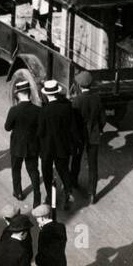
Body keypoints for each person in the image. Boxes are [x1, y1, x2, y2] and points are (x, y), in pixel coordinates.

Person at [37, 80, 78, 210]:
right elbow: (72, 128)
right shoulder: (67, 107)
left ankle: (50, 195)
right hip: (63, 146)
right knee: (63, 170)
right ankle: (68, 192)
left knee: (47, 170)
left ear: (47, 95)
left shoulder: (44, 111)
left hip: (47, 147)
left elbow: (40, 131)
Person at [4, 78, 42, 205]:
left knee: (16, 169)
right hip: (32, 145)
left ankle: (18, 192)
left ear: (18, 94)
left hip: (17, 146)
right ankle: (37, 195)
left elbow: (7, 127)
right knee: (33, 170)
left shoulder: (14, 110)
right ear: (29, 93)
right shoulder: (38, 110)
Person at [70, 71, 104, 202]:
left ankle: (73, 182)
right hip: (94, 135)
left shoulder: (77, 100)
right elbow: (103, 119)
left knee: (76, 160)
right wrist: (98, 129)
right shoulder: (97, 98)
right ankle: (92, 193)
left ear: (79, 85)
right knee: (93, 164)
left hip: (79, 136)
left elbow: (73, 122)